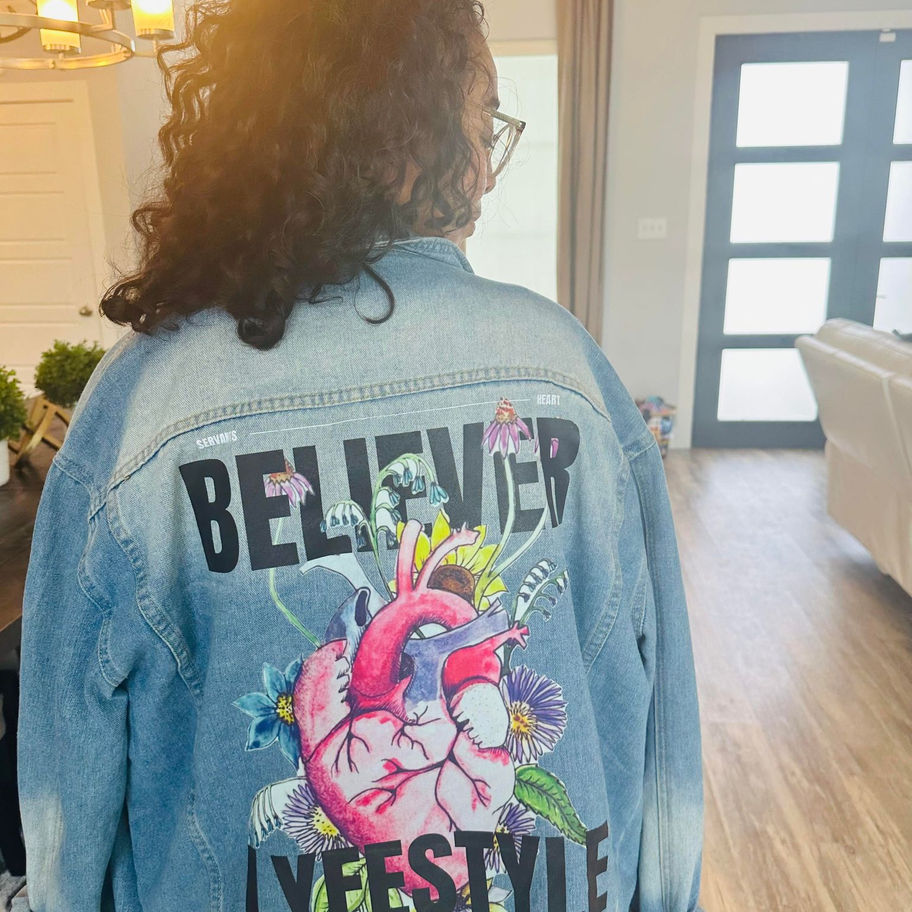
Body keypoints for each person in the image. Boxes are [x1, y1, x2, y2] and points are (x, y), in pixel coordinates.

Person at [16, 1, 704, 910]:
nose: (487, 179)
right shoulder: (566, 371)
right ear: (400, 128)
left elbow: (68, 787)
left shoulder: (144, 400)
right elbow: (664, 753)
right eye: (480, 122)